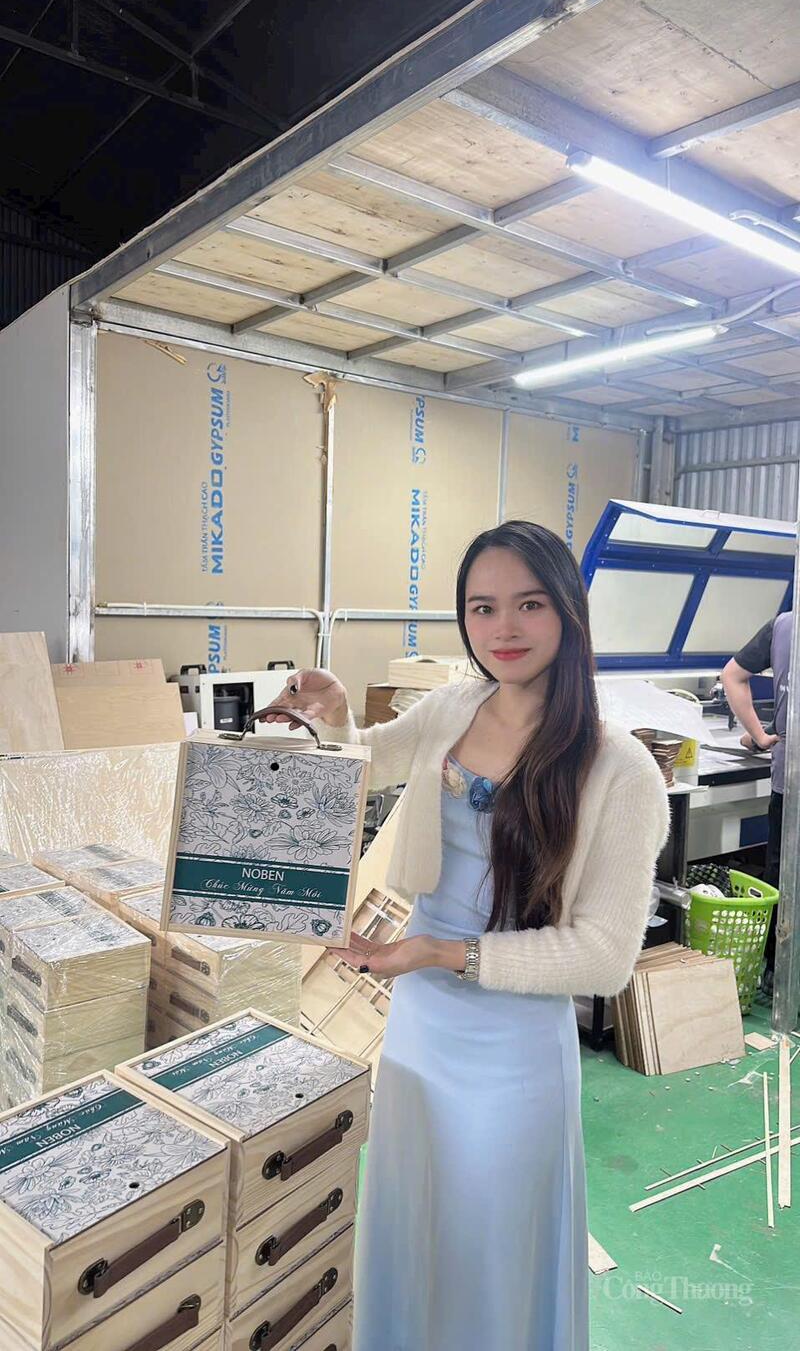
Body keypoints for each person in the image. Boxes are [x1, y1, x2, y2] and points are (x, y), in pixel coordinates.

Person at [268, 520, 669, 1351]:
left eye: (529, 603)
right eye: (482, 608)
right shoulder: (454, 705)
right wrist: (334, 717)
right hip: (422, 1022)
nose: (503, 628)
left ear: (568, 608)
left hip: (515, 1043)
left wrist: (441, 952)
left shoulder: (619, 766)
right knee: (414, 1225)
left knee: (493, 1247)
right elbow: (367, 761)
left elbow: (604, 956)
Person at [722, 610, 791, 979]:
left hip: (789, 781)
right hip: (789, 780)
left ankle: (774, 973)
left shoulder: (784, 626)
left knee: (782, 877)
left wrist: (761, 737)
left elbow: (732, 675)